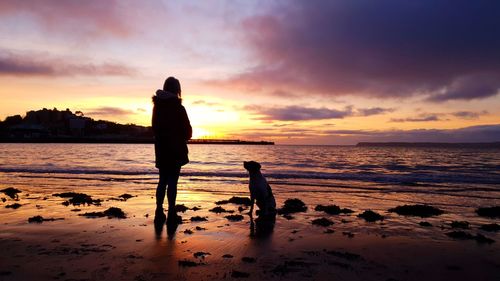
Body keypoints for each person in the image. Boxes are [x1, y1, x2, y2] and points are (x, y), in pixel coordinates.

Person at [152, 77, 192, 222]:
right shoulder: (179, 108)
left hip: (162, 149)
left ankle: (158, 211)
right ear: (177, 90)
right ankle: (171, 213)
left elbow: (155, 129)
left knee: (162, 180)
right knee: (173, 182)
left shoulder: (157, 107)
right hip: (175, 150)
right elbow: (188, 133)